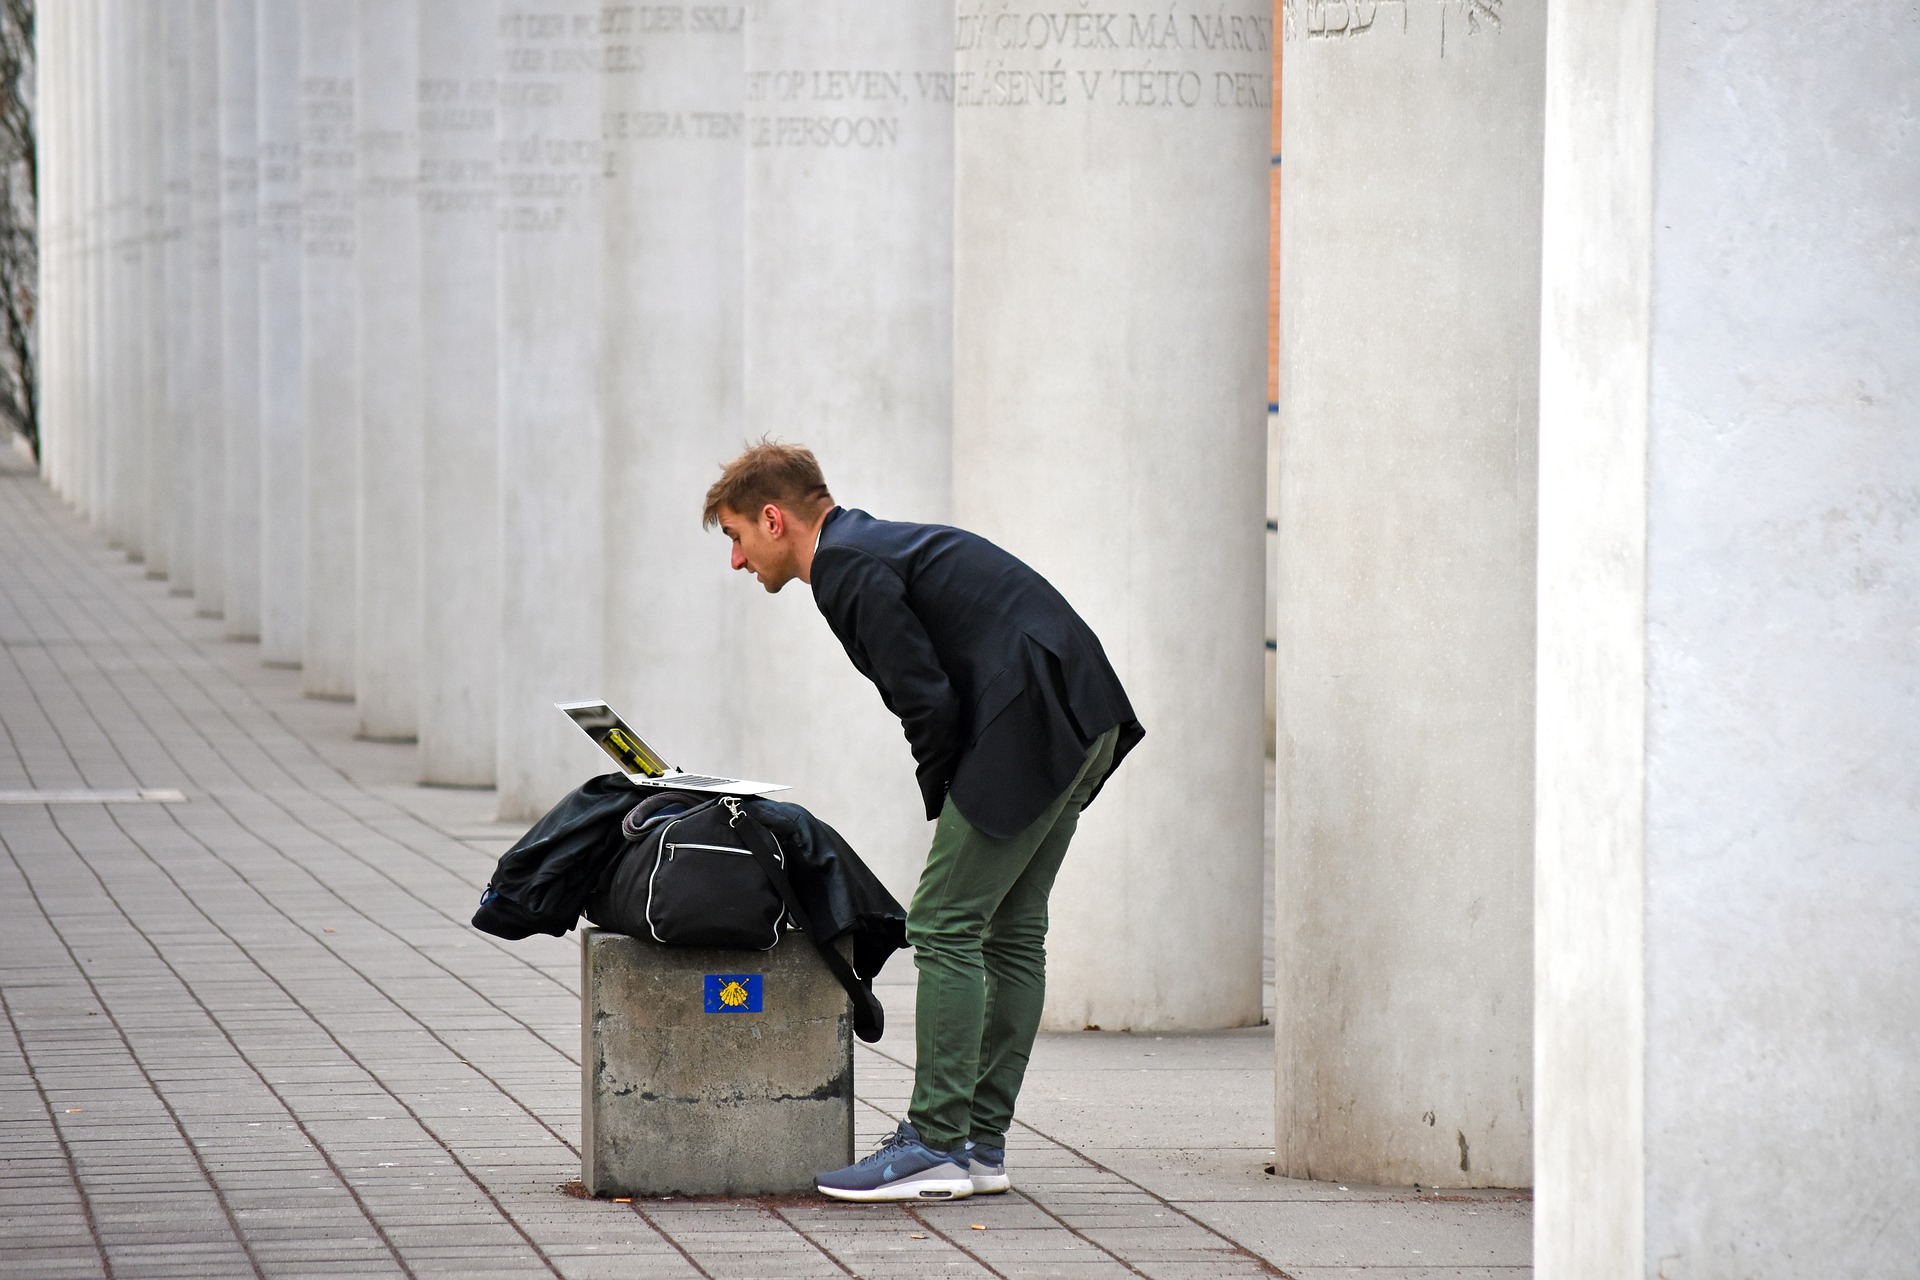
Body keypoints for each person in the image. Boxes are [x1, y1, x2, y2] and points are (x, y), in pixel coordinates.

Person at [703, 441, 1143, 1203]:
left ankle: (937, 1142)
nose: (738, 562)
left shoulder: (844, 568)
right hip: (1082, 708)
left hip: (1030, 716)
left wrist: (946, 801)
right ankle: (978, 1145)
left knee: (942, 922)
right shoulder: (872, 544)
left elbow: (926, 702)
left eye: (738, 537)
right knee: (1009, 931)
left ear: (773, 519)